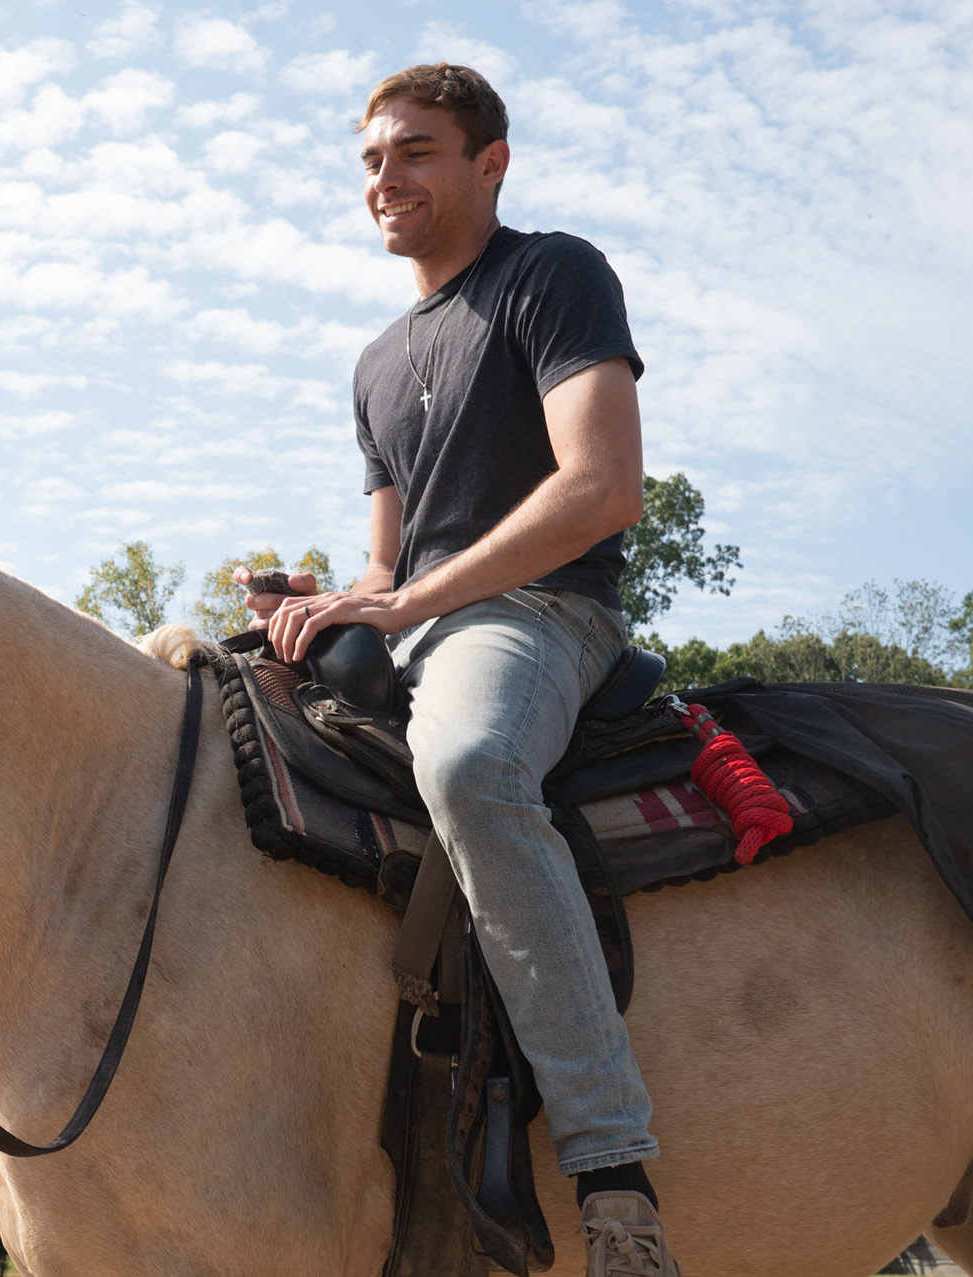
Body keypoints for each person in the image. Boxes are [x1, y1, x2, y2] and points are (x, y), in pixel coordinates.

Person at [249, 64, 677, 1277]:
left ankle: (613, 1174)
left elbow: (602, 487)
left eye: (417, 153)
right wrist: (322, 604)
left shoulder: (554, 276)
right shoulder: (378, 360)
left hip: (539, 616)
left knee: (475, 763)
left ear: (490, 163)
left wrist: (417, 596)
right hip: (419, 623)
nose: (387, 178)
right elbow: (386, 555)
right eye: (373, 160)